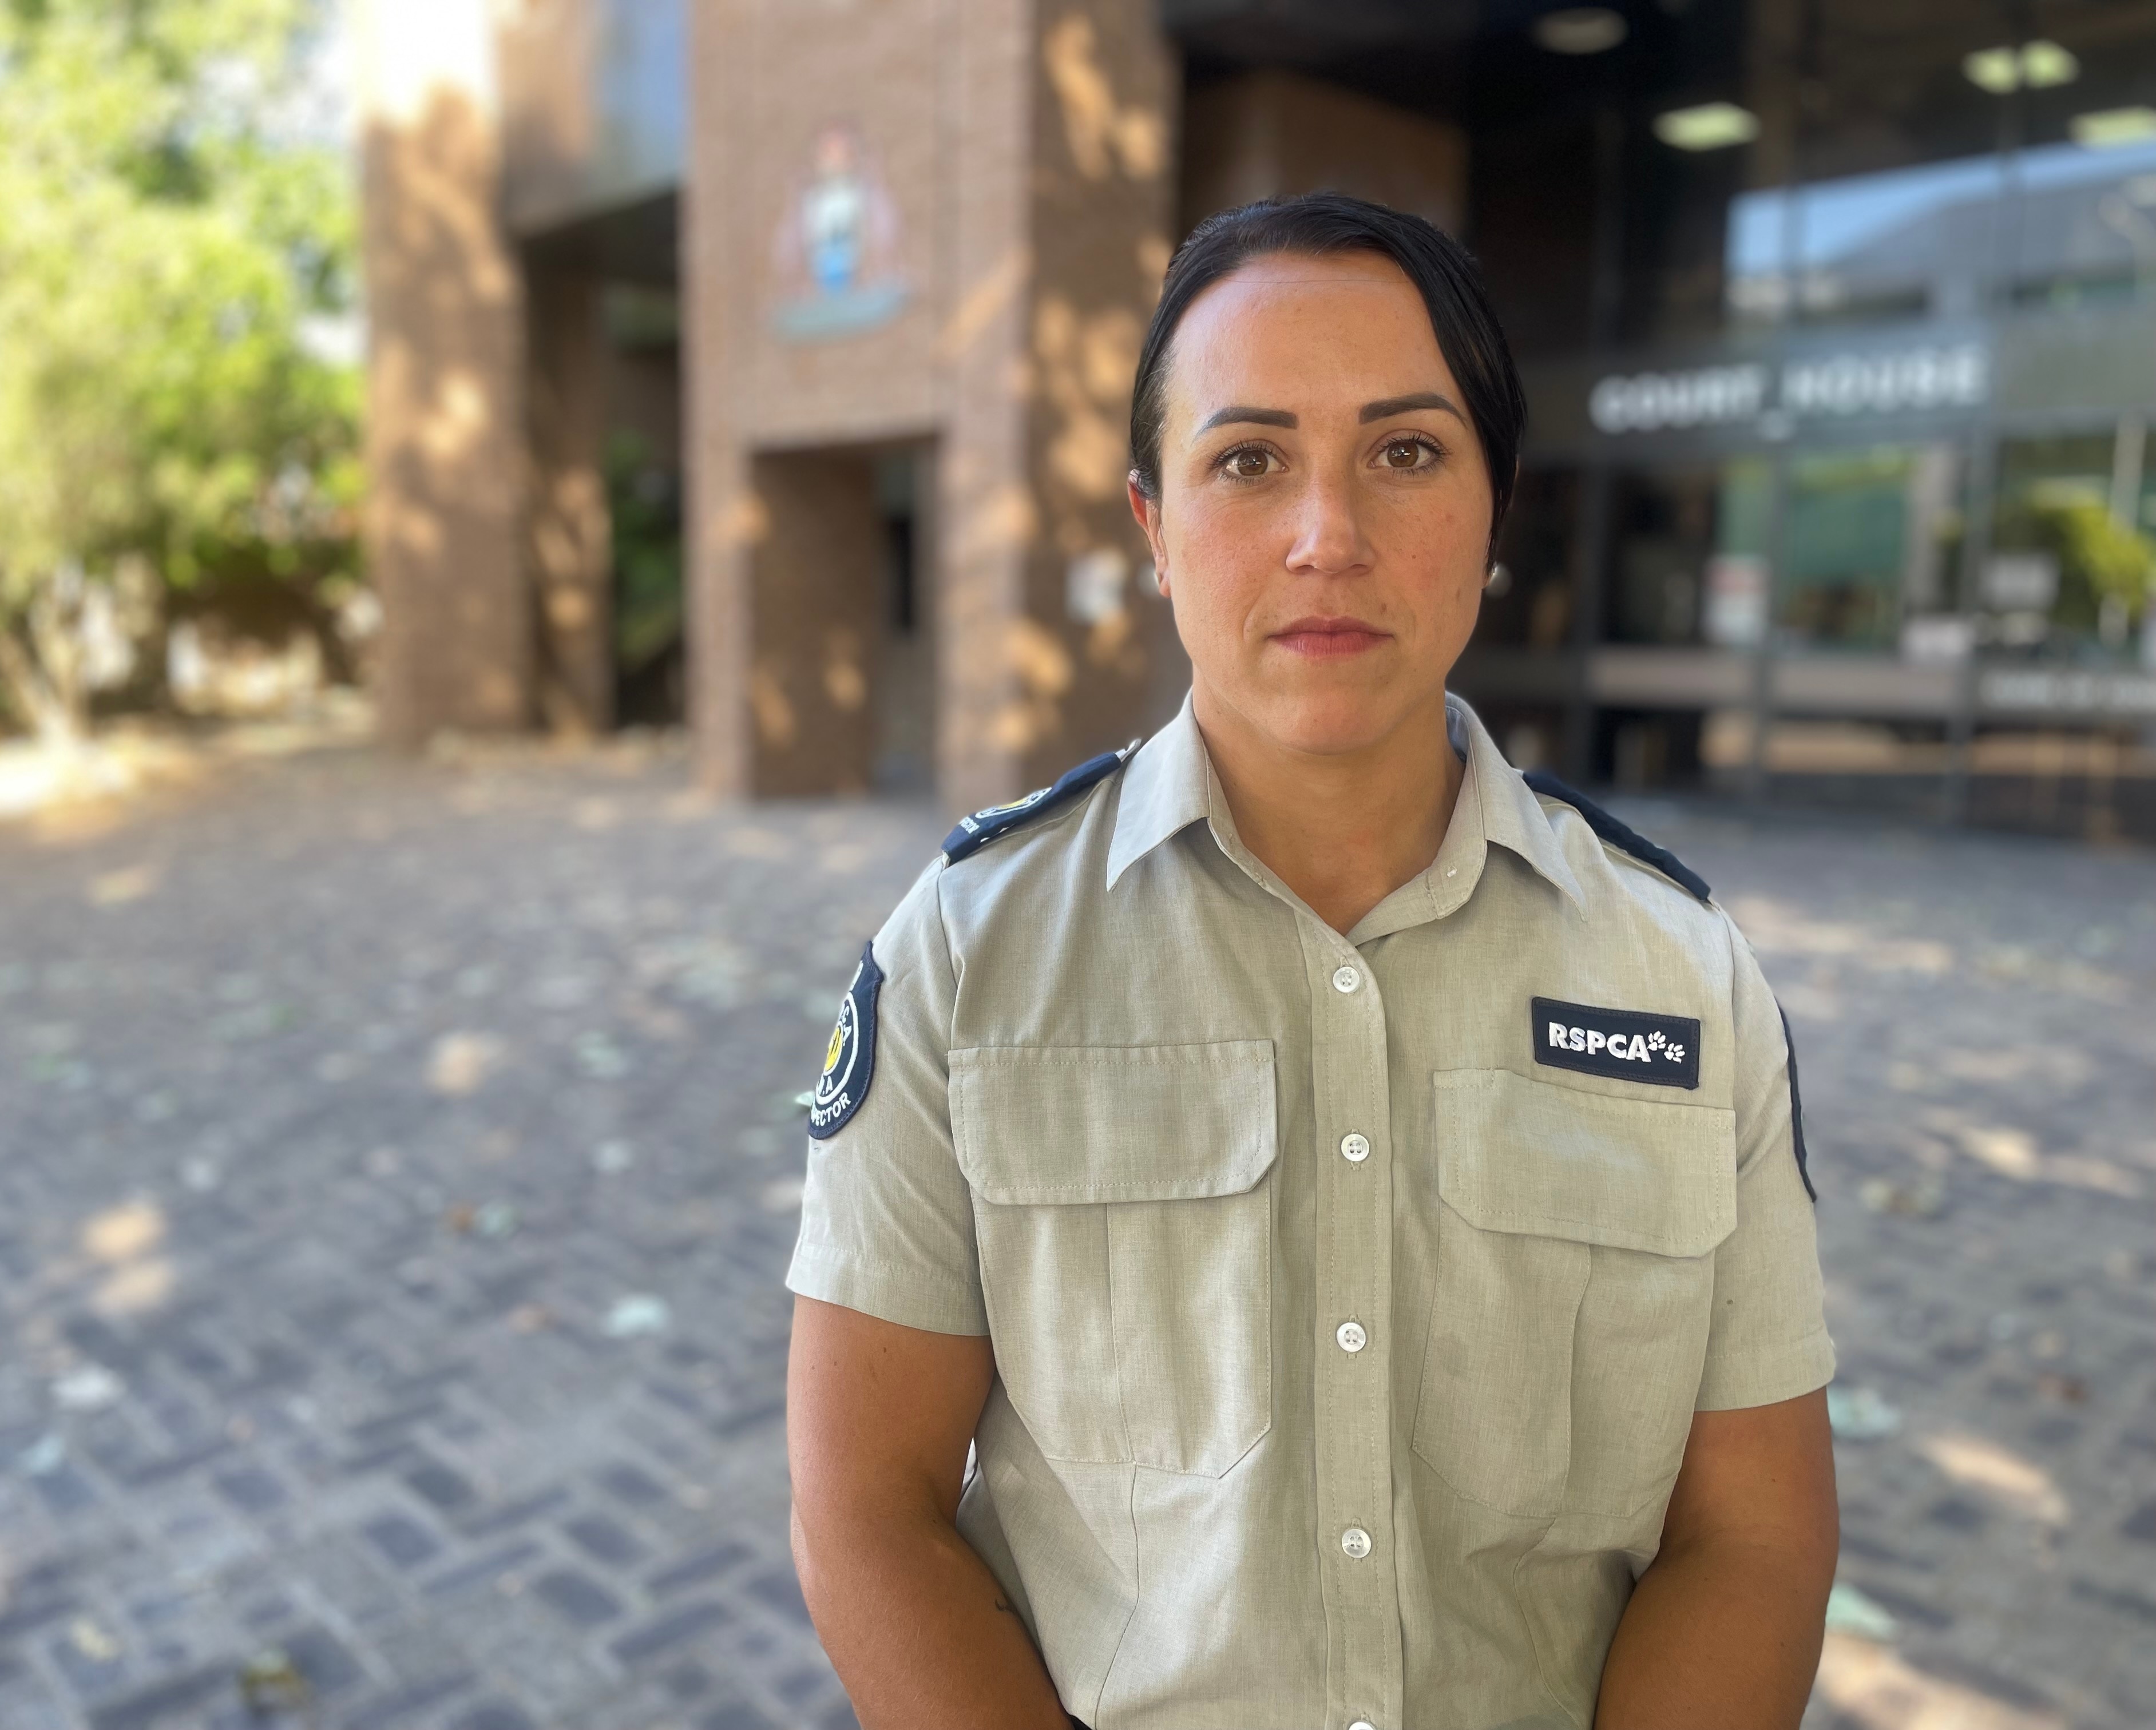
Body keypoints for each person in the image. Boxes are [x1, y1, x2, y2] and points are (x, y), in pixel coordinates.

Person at [784, 192, 1837, 1730]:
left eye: (1406, 453)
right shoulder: (968, 953)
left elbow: (1754, 1538)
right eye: (1248, 460)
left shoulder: (1682, 976)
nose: (1327, 537)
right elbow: (863, 1509)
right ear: (1154, 527)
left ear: (1496, 514)